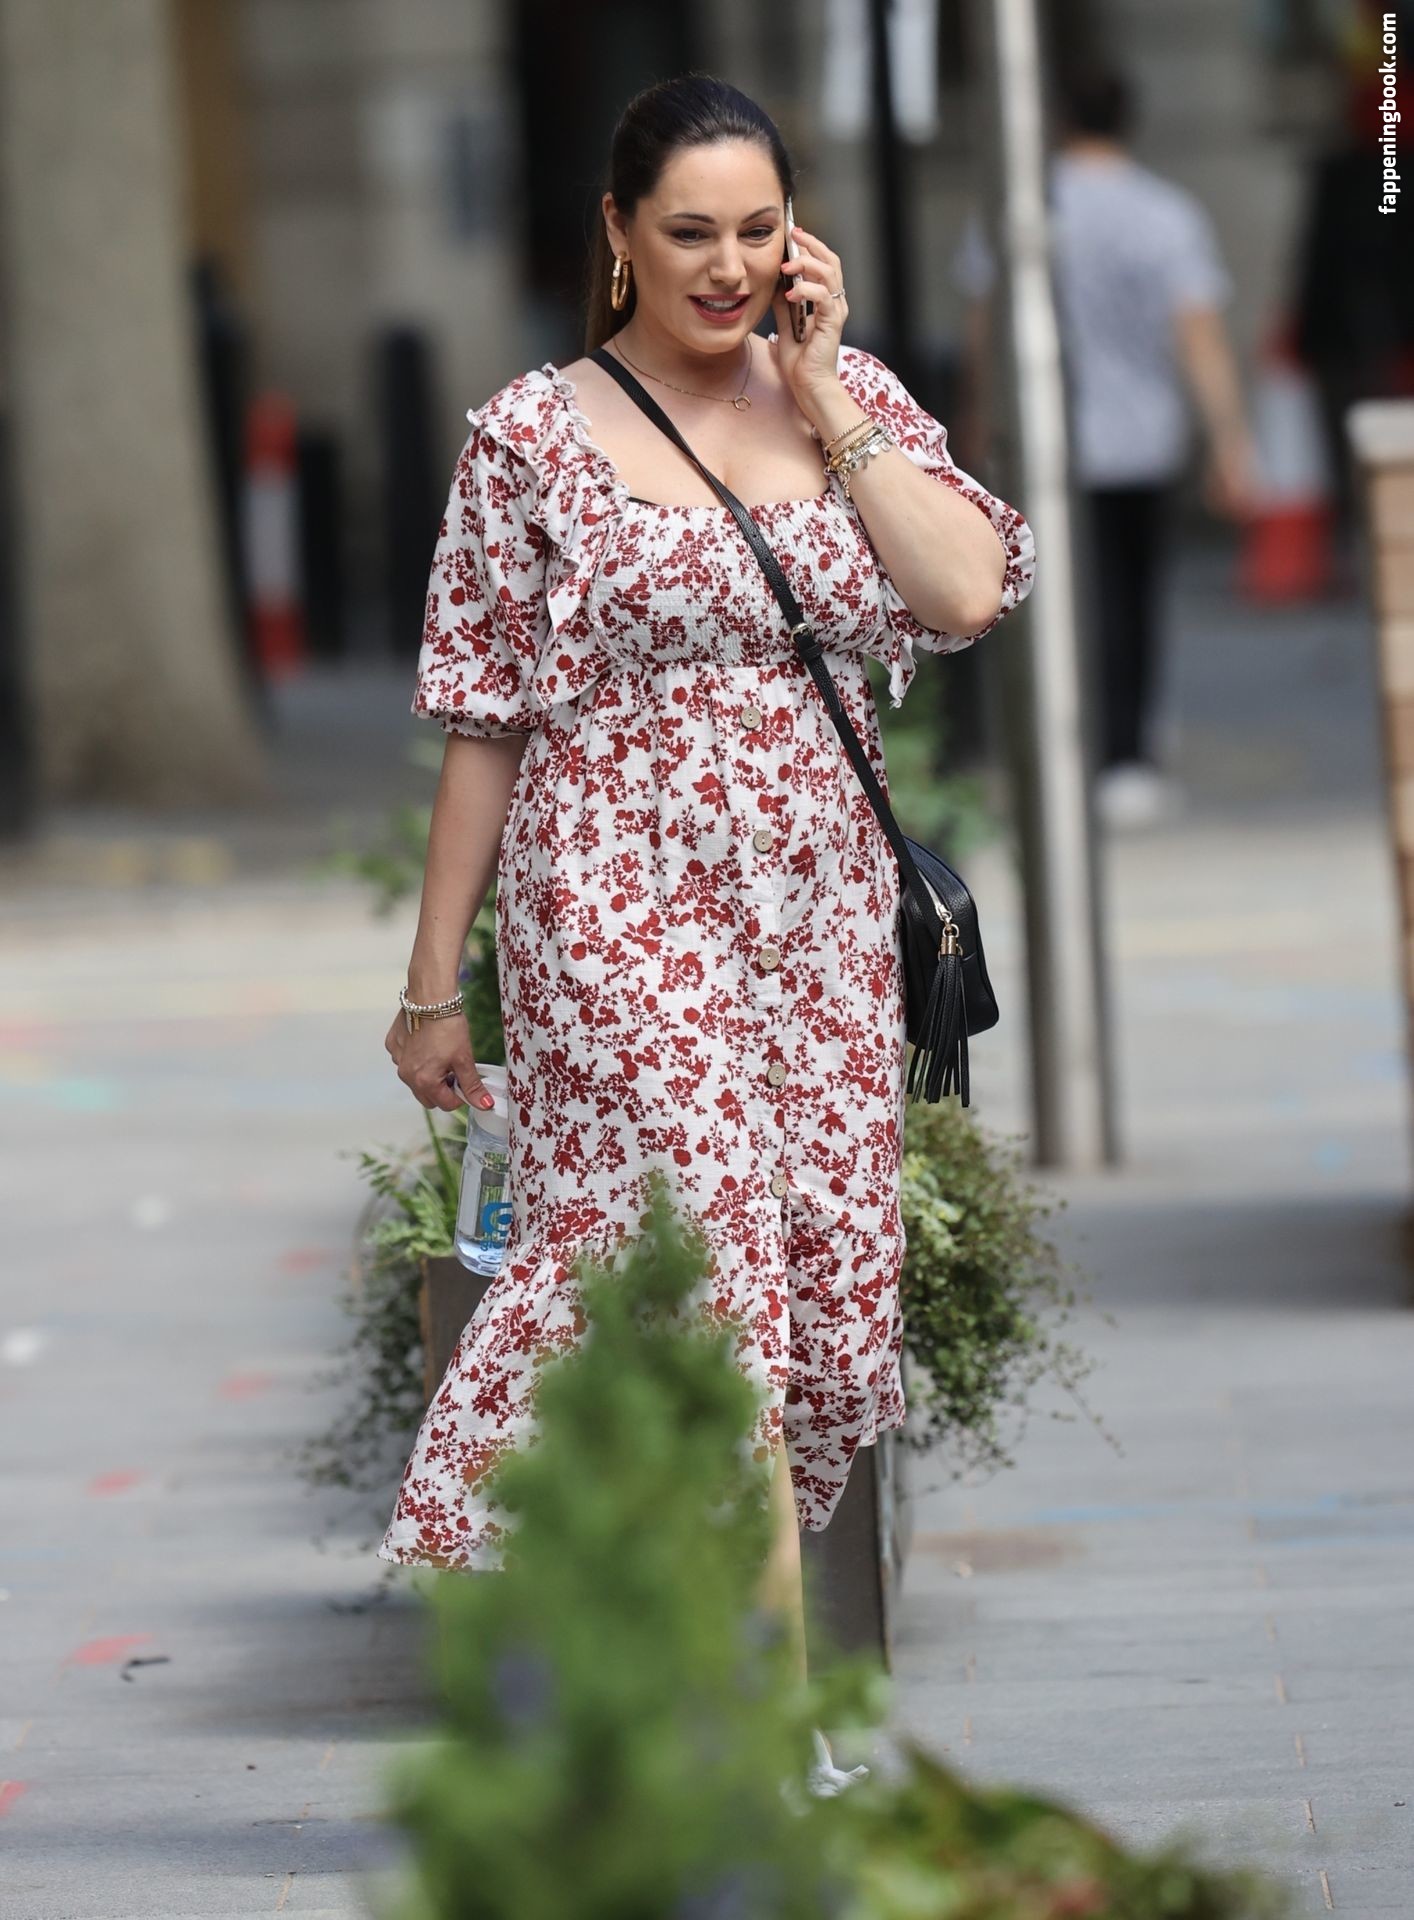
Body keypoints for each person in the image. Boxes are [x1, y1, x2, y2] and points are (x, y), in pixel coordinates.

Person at [377, 72, 1036, 1784]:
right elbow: (482, 724)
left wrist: (825, 395)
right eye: (689, 233)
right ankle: (762, 1724)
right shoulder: (528, 438)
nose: (728, 266)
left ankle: (635, 1669)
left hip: (815, 919)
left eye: (757, 230)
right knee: (712, 1266)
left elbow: (964, 592)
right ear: (616, 233)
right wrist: (435, 986)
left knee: (824, 1293)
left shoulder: (849, 403)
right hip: (611, 904)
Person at [954, 63, 1254, 829]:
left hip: (1048, 438)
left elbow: (984, 325)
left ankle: (1067, 744)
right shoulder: (1166, 213)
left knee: (1058, 601)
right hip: (1143, 440)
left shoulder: (1019, 205)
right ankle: (1127, 755)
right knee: (1133, 598)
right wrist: (1229, 437)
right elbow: (1199, 333)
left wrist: (975, 419)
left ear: (1059, 120)